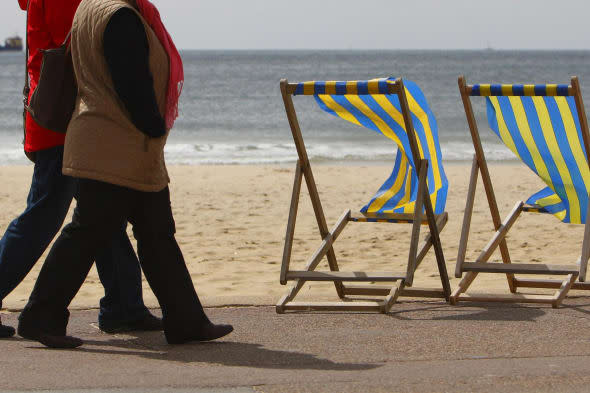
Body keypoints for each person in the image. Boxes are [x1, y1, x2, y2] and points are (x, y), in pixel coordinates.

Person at [17, 0, 234, 348]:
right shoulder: (119, 16)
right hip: (117, 143)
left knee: (155, 231)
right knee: (89, 230)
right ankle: (40, 315)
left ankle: (185, 320)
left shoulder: (90, 7)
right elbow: (131, 82)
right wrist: (153, 127)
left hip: (107, 138)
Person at [0, 0, 162, 339]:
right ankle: (121, 306)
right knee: (49, 213)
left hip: (67, 118)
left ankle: (124, 305)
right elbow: (85, 46)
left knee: (99, 210)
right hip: (66, 120)